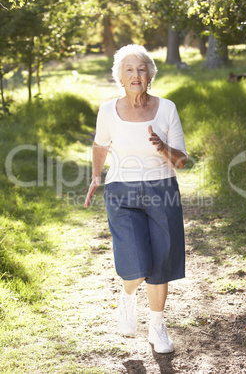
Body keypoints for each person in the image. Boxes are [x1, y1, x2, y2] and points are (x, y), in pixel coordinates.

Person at [84, 44, 187, 354]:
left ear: (150, 75)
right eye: (129, 69)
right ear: (120, 76)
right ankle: (127, 297)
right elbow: (100, 146)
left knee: (161, 263)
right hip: (122, 192)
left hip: (162, 190)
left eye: (141, 68)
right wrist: (95, 176)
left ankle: (157, 327)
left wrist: (163, 148)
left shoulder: (167, 108)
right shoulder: (107, 110)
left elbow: (181, 160)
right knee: (138, 266)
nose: (135, 74)